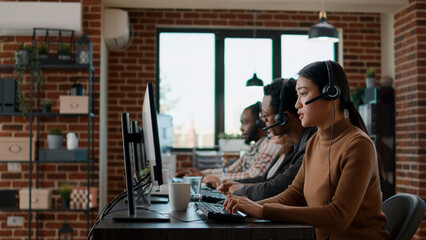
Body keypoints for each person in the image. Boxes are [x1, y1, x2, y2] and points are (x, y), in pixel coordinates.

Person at [224, 61, 388, 239]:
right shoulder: (314, 141)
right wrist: (247, 208)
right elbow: (294, 194)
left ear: (331, 93)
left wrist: (263, 211)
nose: (297, 104)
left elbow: (339, 216)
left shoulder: (358, 145)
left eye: (303, 94)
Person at [218, 78, 317, 201]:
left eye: (265, 115)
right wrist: (238, 186)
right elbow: (270, 182)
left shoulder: (310, 145)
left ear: (282, 118)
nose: (263, 121)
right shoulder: (295, 147)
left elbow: (276, 188)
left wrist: (240, 191)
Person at [175, 102, 281, 187]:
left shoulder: (270, 143)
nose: (241, 128)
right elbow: (231, 169)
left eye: (245, 122)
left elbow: (254, 175)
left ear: (259, 123)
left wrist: (208, 177)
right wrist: (201, 174)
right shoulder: (254, 147)